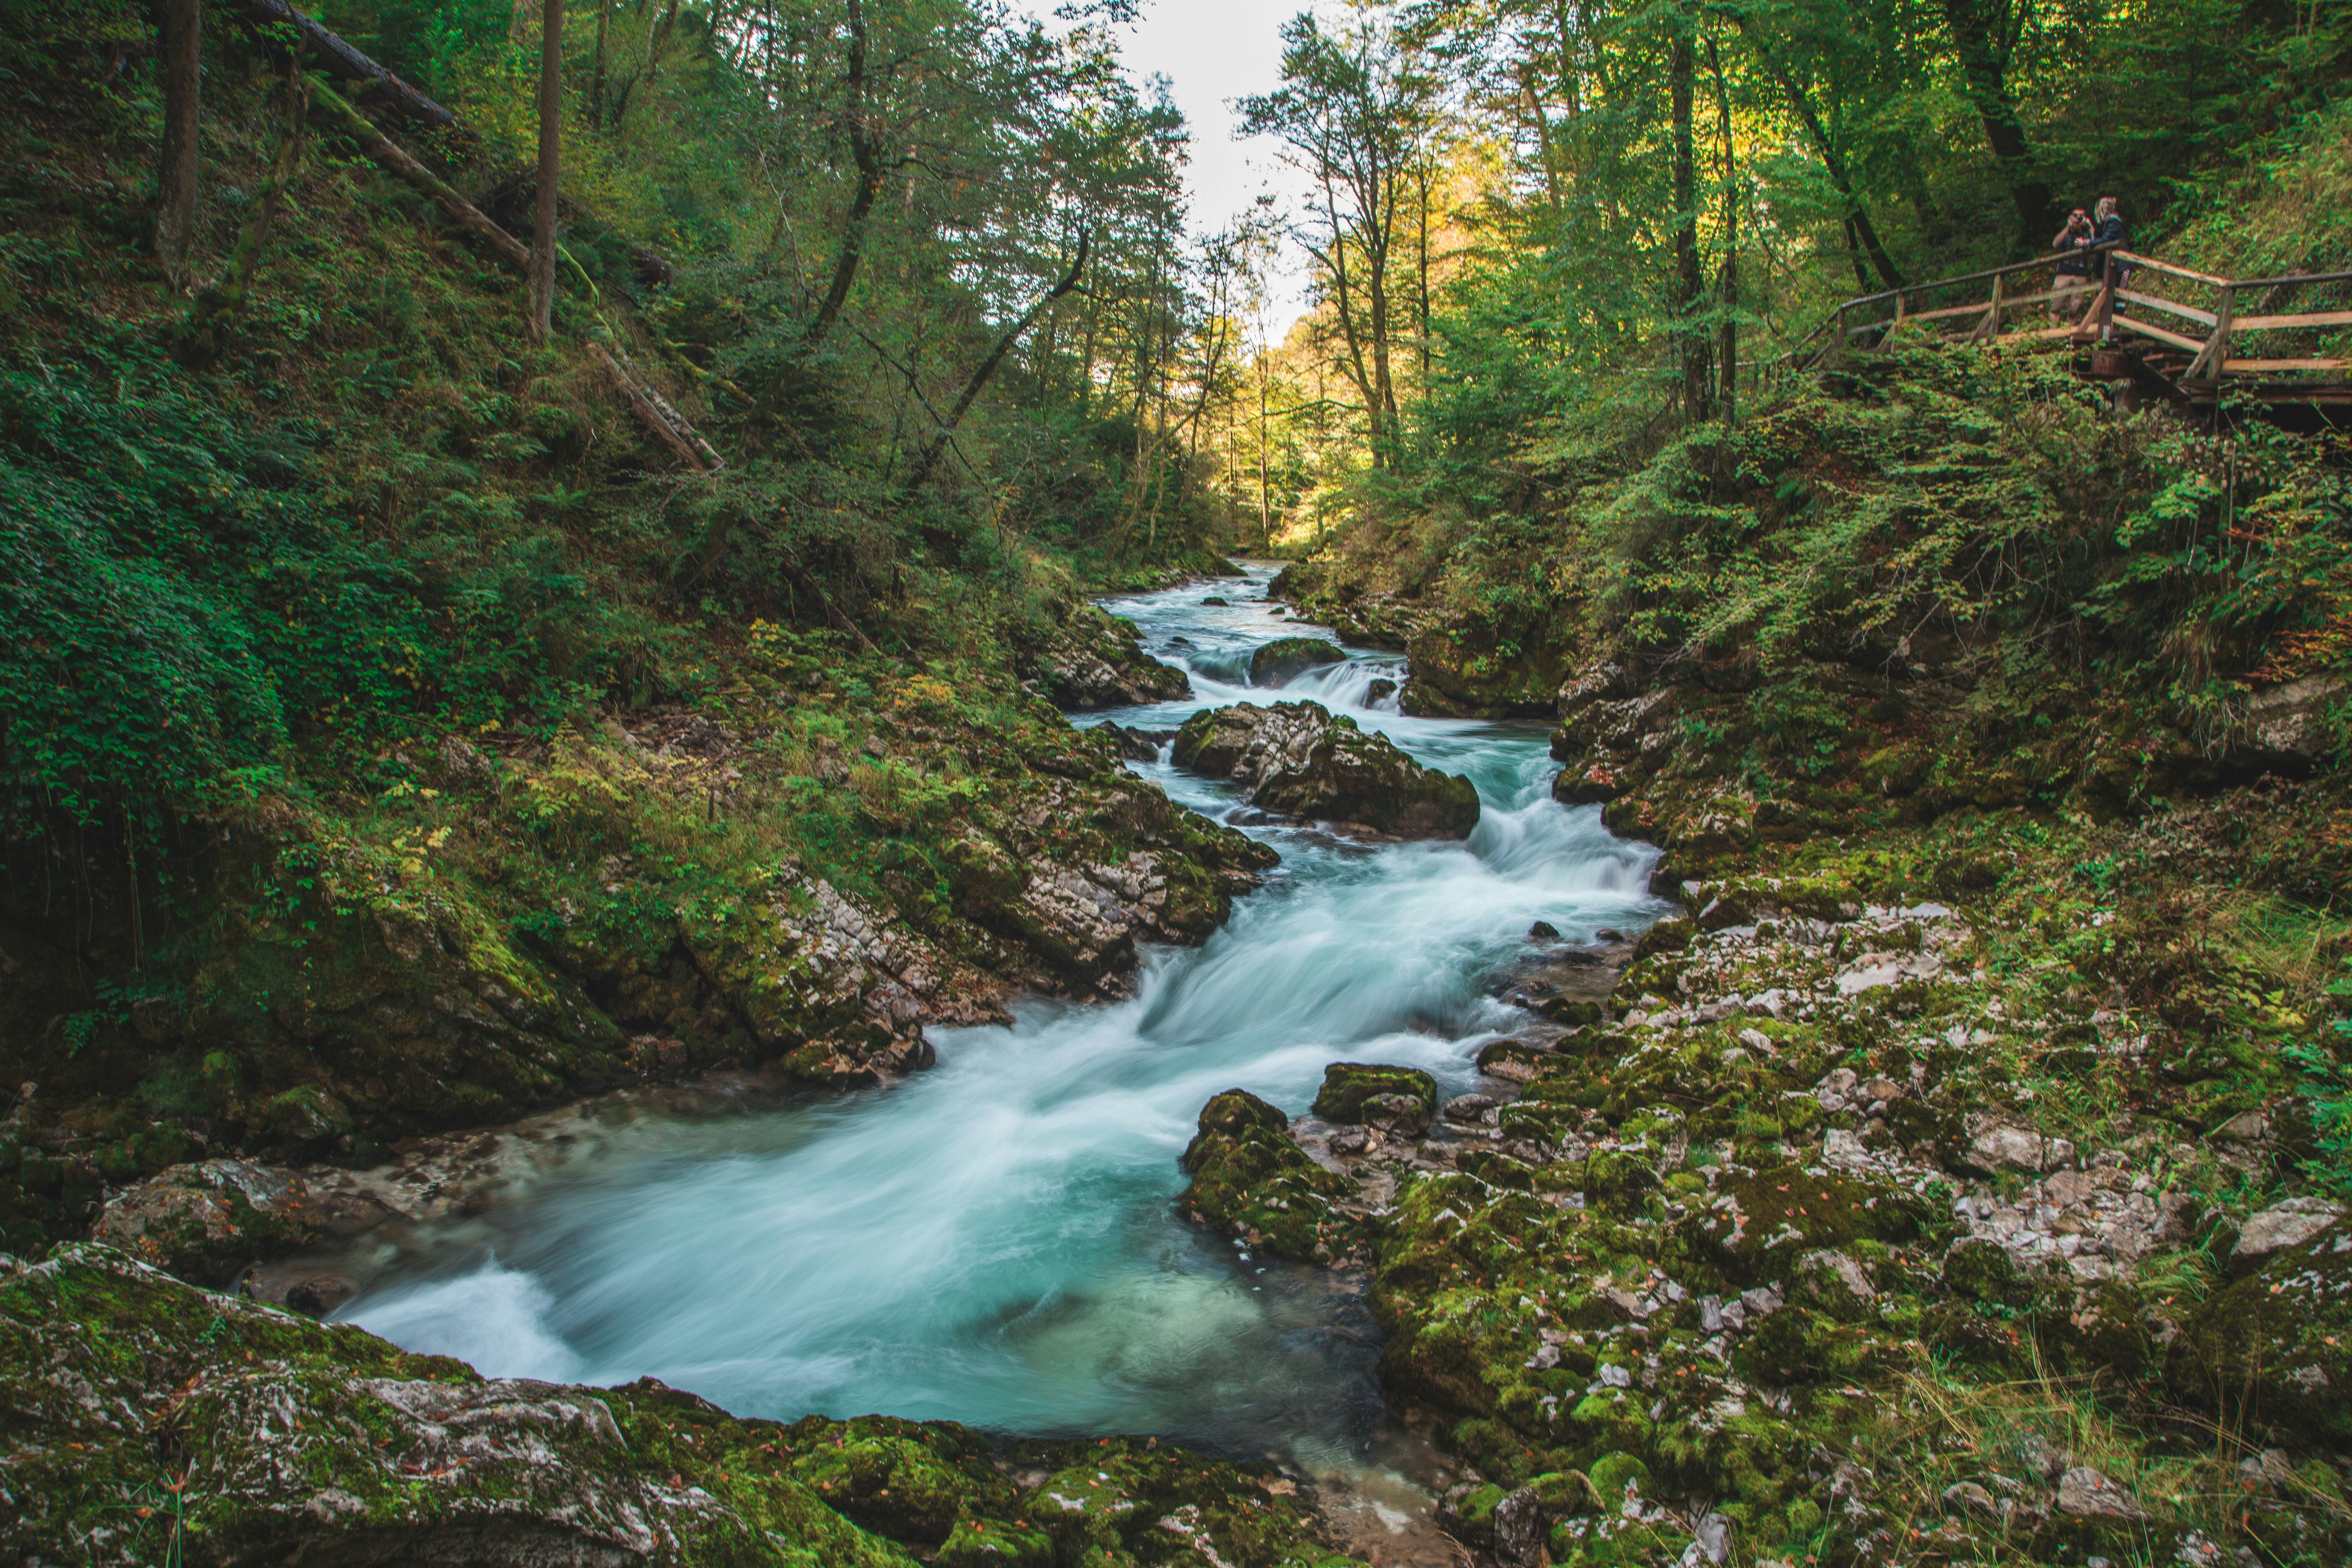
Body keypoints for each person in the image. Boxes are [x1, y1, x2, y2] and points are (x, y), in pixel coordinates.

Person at [2050, 207, 2094, 324]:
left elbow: (2098, 241)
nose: (2078, 218)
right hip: (2063, 274)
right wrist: (2068, 226)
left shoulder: (2087, 235)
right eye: (2076, 215)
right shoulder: (2066, 233)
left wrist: (2090, 226)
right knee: (2056, 307)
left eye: (2081, 216)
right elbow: (2055, 244)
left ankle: (2070, 338)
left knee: (2075, 309)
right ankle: (2052, 336)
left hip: (2081, 275)